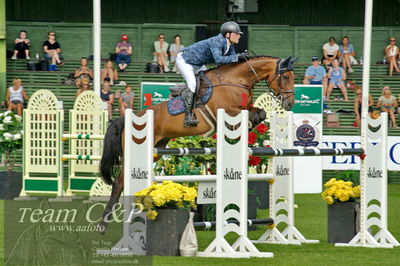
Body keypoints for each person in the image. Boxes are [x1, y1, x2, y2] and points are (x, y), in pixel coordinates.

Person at [176, 21, 247, 127]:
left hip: (198, 64)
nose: (239, 36)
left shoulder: (230, 45)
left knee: (210, 81)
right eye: (236, 34)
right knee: (193, 85)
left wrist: (244, 59)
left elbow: (232, 62)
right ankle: (188, 117)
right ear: (228, 34)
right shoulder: (217, 41)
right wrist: (238, 57)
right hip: (185, 61)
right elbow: (219, 60)